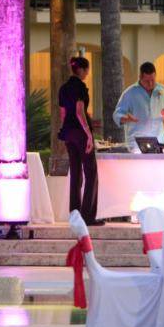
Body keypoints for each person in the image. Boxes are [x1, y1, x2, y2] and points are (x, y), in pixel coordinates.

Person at [58, 57, 101, 225]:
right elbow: (79, 111)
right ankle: (88, 217)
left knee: (75, 173)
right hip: (80, 133)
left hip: (68, 132)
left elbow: (63, 113)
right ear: (82, 70)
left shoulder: (63, 88)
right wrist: (89, 133)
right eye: (87, 70)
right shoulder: (80, 87)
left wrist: (66, 132)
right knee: (91, 173)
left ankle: (75, 215)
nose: (87, 74)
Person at [113, 61, 164, 152]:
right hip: (137, 143)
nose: (150, 84)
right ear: (140, 77)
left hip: (160, 140)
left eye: (153, 80)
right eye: (147, 81)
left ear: (155, 75)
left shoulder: (163, 90)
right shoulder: (130, 92)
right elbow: (117, 114)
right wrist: (126, 118)